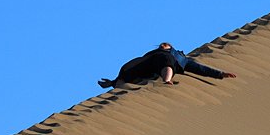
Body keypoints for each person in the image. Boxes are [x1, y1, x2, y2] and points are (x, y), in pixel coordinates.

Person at [98, 42, 236, 88]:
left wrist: (220, 74)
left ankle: (167, 80)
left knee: (166, 60)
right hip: (146, 65)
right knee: (127, 69)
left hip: (164, 64)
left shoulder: (178, 58)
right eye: (161, 44)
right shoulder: (150, 55)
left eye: (166, 44)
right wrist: (112, 82)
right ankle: (118, 86)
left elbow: (199, 69)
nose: (163, 44)